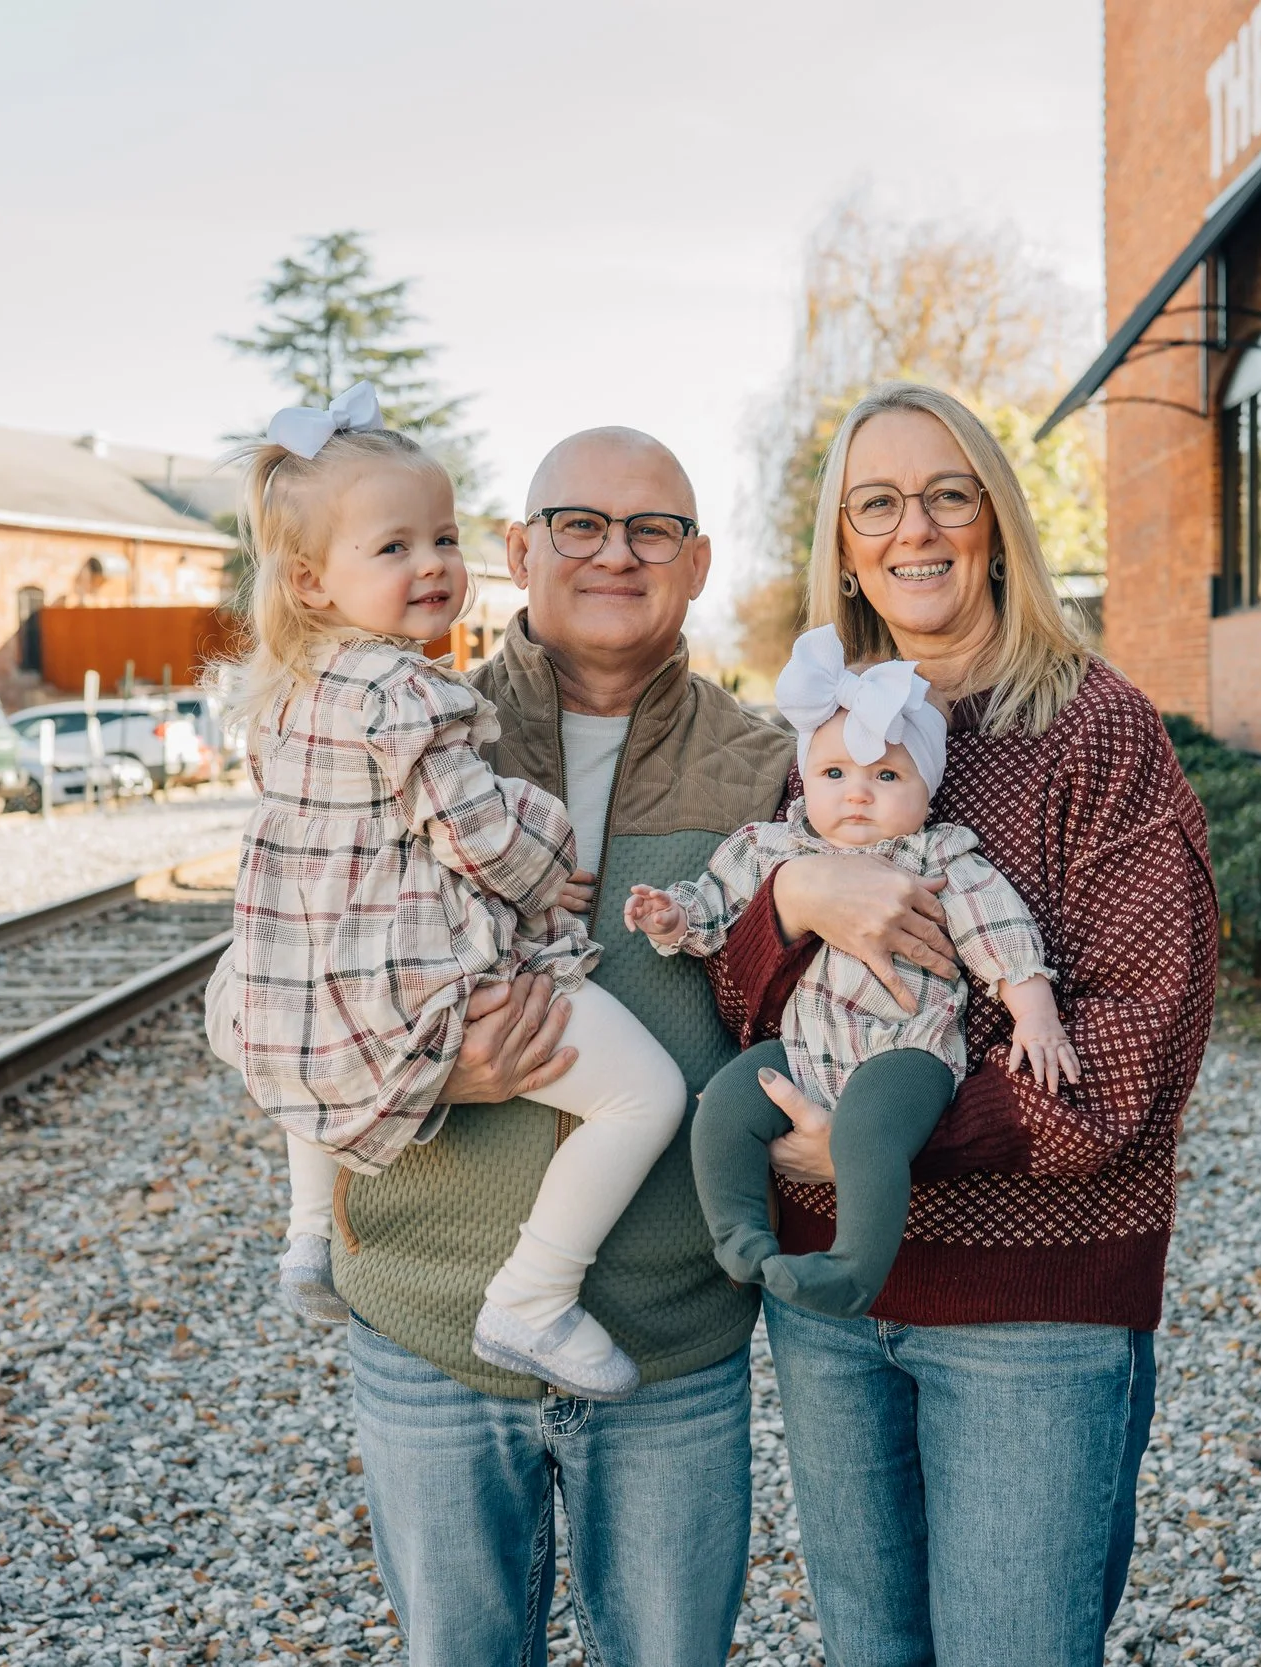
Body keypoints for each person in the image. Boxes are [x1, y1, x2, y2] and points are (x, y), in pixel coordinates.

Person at [703, 382, 1219, 1666]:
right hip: (831, 1296)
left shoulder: (1098, 730)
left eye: (947, 492)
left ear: (995, 520)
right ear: (844, 542)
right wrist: (792, 898)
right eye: (875, 502)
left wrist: (882, 1145)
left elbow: (1131, 1048)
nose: (912, 527)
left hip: (1029, 1311)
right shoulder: (821, 741)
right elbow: (739, 994)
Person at [324, 422, 795, 1665]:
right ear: (520, 553)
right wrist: (434, 1066)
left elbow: (813, 1021)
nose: (614, 554)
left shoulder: (772, 771)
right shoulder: (405, 730)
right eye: (579, 525)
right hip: (429, 1323)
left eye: (653, 529)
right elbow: (245, 996)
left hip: (671, 1339)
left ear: (698, 566)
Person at [203, 383, 692, 1401]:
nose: (430, 564)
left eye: (438, 536)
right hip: (417, 981)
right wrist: (550, 852)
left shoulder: (290, 700)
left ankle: (305, 1234)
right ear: (309, 580)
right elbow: (489, 847)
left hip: (308, 983)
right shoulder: (411, 695)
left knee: (290, 1020)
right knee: (645, 1093)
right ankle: (532, 1294)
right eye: (392, 548)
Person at [626, 624, 1077, 1317]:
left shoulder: (940, 859)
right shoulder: (773, 848)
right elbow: (715, 910)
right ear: (806, 776)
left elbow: (1001, 930)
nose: (857, 794)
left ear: (928, 787)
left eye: (886, 775)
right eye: (835, 774)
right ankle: (741, 1236)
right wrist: (672, 915)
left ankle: (854, 1269)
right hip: (808, 1047)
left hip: (906, 1050)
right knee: (724, 1103)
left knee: (868, 1133)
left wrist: (1035, 1010)